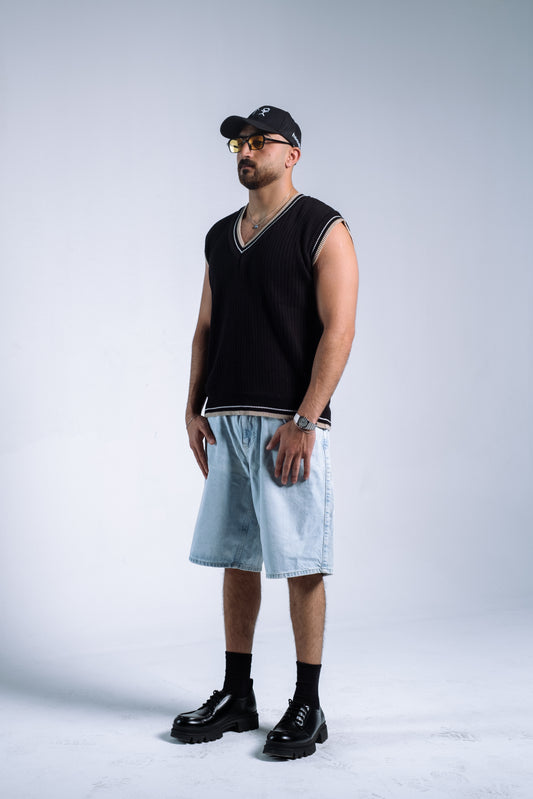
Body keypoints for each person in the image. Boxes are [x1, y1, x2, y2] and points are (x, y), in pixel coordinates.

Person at [171, 105, 359, 759]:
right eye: (239, 145)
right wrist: (192, 408)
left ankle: (307, 702)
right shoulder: (220, 235)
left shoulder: (321, 226)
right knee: (237, 554)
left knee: (300, 559)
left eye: (259, 142)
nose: (246, 152)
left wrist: (306, 418)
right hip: (227, 417)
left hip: (289, 423)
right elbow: (205, 326)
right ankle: (237, 694)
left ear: (291, 153)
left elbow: (339, 329)